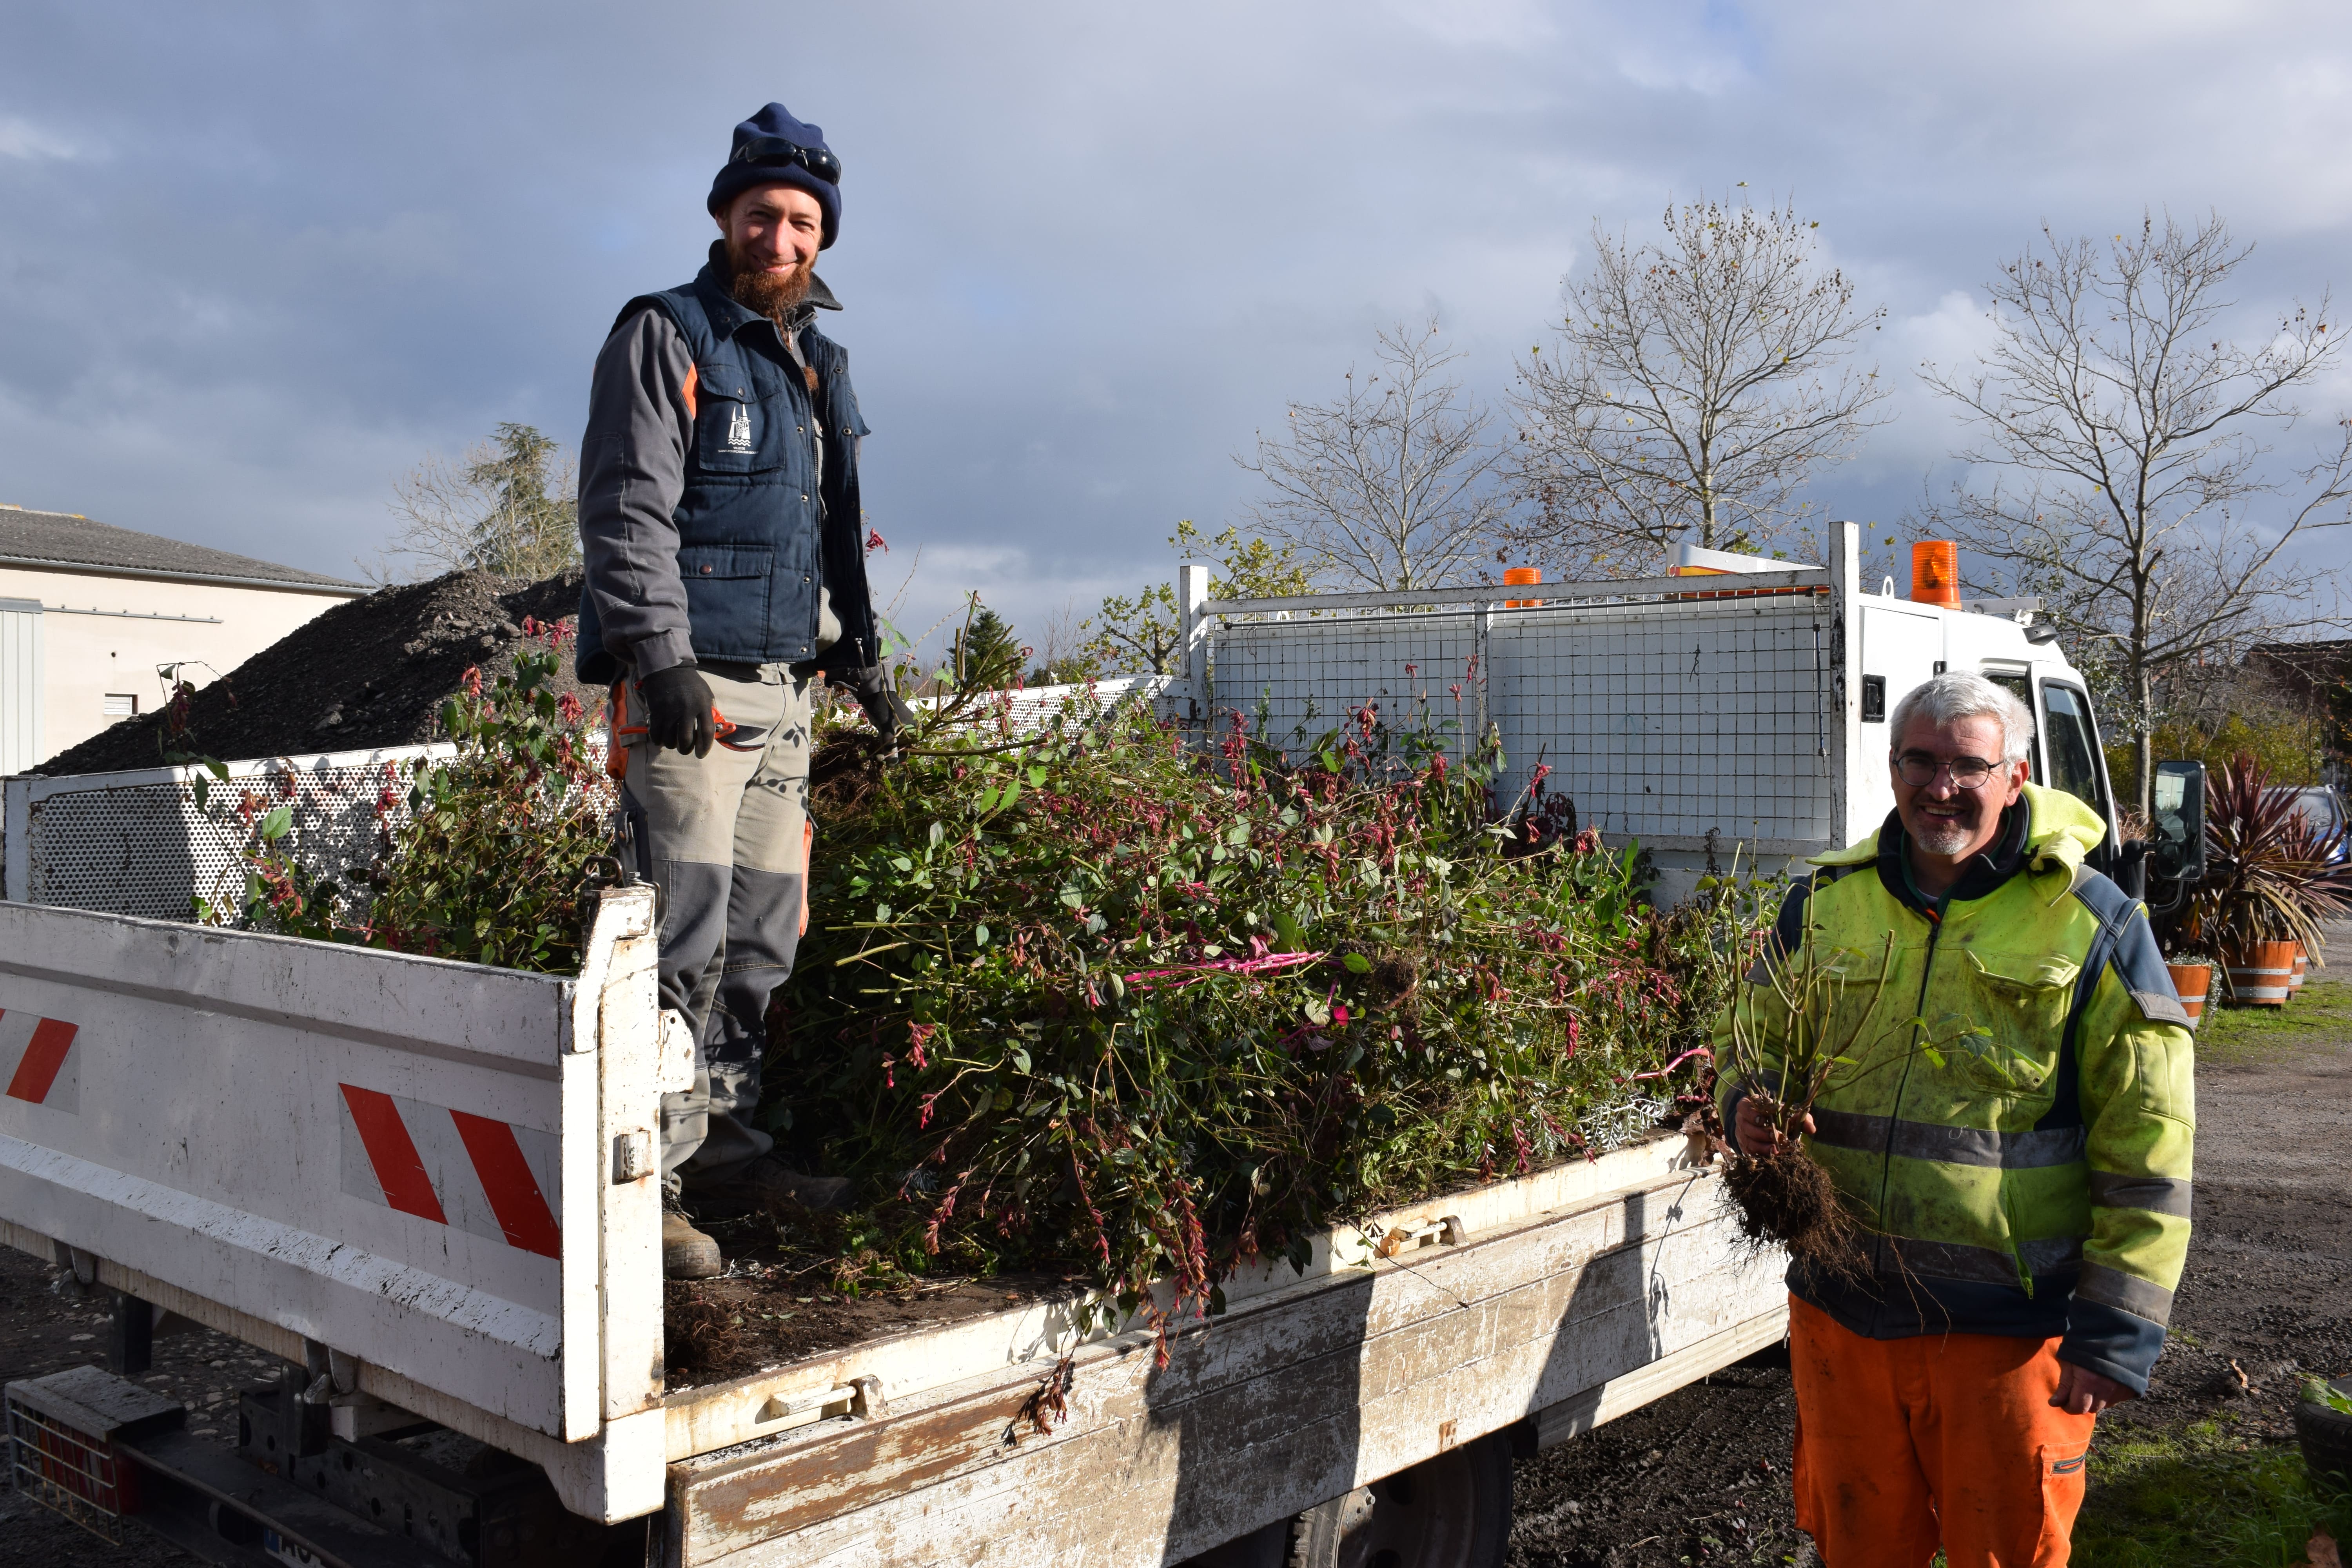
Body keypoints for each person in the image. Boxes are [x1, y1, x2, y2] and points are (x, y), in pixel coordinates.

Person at [1715, 671, 2194, 1565]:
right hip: (1843, 1315)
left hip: (2008, 1335)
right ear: (1891, 769)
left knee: (2007, 1553)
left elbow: (2151, 1144)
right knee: (1858, 1548)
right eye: (1920, 760)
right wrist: (1746, 1104)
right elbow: (1748, 1043)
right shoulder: (1822, 905)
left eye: (1968, 766)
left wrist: (2119, 1330)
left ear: (2015, 777)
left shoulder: (2093, 923)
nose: (1942, 785)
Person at [575, 102, 911, 1279]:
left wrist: (858, 653)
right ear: (725, 218)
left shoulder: (818, 362)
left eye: (805, 220)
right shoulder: (669, 336)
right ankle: (651, 1187)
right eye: (763, 214)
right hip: (695, 692)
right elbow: (628, 507)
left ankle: (726, 1146)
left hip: (785, 691)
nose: (784, 236)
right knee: (682, 936)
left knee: (765, 939)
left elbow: (829, 531)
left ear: (824, 237)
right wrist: (656, 657)